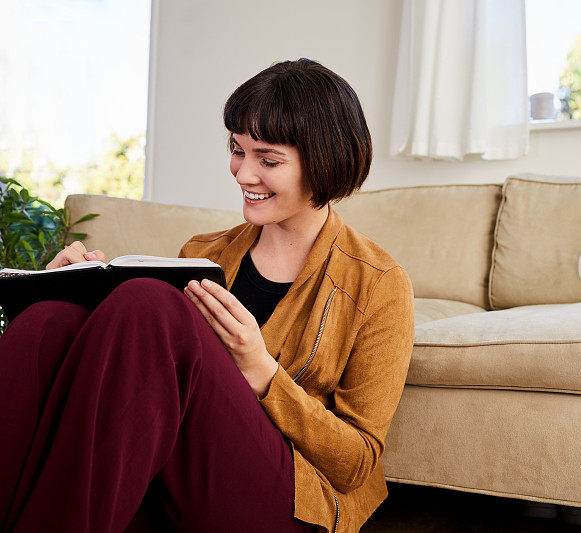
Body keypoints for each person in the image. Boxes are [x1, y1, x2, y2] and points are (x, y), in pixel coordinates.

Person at [0, 58, 416, 533]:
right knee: (47, 322)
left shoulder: (379, 284)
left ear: (325, 162)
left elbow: (356, 464)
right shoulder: (203, 254)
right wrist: (71, 292)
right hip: (184, 480)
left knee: (151, 305)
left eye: (268, 160)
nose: (242, 173)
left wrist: (262, 372)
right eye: (237, 150)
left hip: (293, 502)